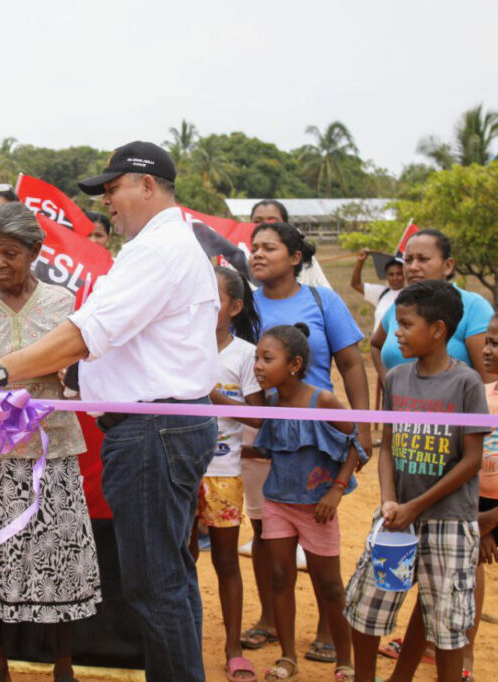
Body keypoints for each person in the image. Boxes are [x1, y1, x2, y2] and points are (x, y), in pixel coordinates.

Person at [0, 141, 220, 682]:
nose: (106, 203)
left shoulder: (157, 251)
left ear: (148, 186)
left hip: (153, 431)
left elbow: (83, 335)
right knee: (169, 577)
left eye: (113, 189)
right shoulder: (163, 245)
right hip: (160, 428)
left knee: (155, 585)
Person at [0, 202, 100, 682]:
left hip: (52, 454)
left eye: (9, 253)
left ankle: (63, 667)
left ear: (35, 252)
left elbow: (82, 369)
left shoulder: (63, 304)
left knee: (62, 558)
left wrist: (69, 376)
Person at [345, 280, 489, 682]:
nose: (397, 333)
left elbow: (471, 460)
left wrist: (416, 506)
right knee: (368, 604)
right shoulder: (396, 378)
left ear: (438, 329)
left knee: (447, 622)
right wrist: (390, 501)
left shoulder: (466, 383)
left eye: (407, 324)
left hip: (449, 522)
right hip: (397, 519)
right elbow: (388, 448)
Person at [244, 219, 371, 662]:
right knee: (266, 530)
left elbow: (351, 363)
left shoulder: (323, 300)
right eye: (254, 247)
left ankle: (327, 628)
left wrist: (363, 424)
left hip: (319, 436)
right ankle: (270, 619)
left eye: (269, 248)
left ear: (295, 257)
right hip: (266, 432)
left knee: (319, 536)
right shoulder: (246, 306)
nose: (258, 254)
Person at [239, 323, 364, 681]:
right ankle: (288, 657)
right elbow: (274, 447)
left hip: (317, 509)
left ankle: (345, 661)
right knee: (280, 577)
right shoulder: (273, 404)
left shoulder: (321, 400)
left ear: (294, 364)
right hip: (278, 502)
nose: (258, 366)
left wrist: (337, 489)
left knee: (330, 585)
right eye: (256, 358)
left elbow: (357, 444)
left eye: (267, 359)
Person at [193, 266, 262, 682]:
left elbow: (258, 415)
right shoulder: (181, 346)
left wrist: (213, 395)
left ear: (234, 307)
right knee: (182, 557)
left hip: (223, 472)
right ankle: (184, 642)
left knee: (225, 561)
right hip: (183, 469)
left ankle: (233, 647)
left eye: (213, 298)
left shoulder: (245, 354)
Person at [371, 229, 492, 382]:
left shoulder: (474, 308)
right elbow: (376, 345)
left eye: (423, 259)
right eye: (408, 260)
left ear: (448, 265)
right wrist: (388, 382)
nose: (413, 267)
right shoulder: (399, 307)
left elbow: (491, 382)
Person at [469, 313, 498, 682]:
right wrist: (482, 522)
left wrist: (491, 522)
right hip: (477, 506)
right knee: (468, 574)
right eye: (487, 342)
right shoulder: (483, 394)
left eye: (496, 344)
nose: (487, 350)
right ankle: (466, 657)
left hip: (491, 515)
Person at [250, 199, 332, 289]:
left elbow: (324, 290)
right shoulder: (241, 256)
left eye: (272, 221)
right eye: (258, 221)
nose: (265, 227)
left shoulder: (304, 257)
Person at [350, 247, 404, 333]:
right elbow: (355, 284)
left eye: (399, 274)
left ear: (405, 274)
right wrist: (360, 262)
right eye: (391, 274)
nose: (395, 277)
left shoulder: (409, 294)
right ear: (386, 276)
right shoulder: (382, 292)